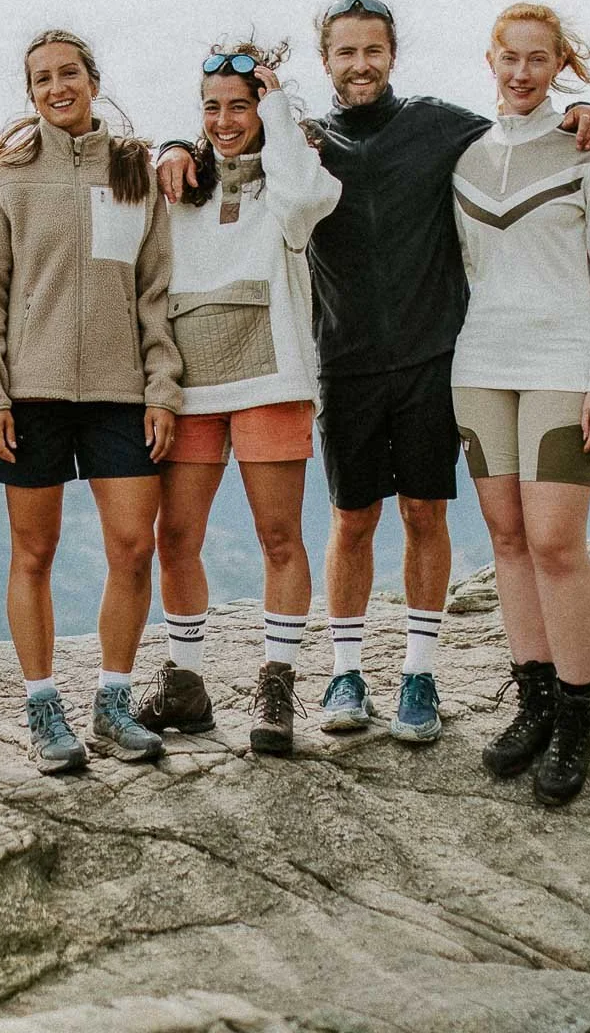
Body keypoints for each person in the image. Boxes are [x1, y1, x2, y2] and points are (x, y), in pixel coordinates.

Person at [156, 0, 590, 745]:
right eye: (346, 52)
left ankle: (419, 675)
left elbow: (517, 127)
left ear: (392, 55)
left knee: (425, 514)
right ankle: (346, 671)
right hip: (343, 362)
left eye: (373, 50)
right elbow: (226, 143)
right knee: (352, 520)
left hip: (435, 357)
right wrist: (175, 142)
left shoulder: (439, 125)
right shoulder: (304, 143)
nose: (360, 64)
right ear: (326, 60)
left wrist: (581, 112)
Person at [0, 29, 183, 773]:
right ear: (30, 93)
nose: (57, 87)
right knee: (34, 552)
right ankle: (42, 705)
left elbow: (155, 291)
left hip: (123, 393)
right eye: (42, 79)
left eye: (69, 73)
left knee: (134, 546)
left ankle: (113, 704)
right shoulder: (9, 176)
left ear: (93, 79)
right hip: (32, 394)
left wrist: (161, 387)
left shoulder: (133, 170)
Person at [135, 40, 338, 755]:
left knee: (278, 537)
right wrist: (169, 146)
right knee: (176, 537)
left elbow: (306, 199)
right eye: (211, 107)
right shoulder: (179, 186)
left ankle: (276, 684)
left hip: (271, 377)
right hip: (189, 384)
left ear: (264, 109)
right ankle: (185, 686)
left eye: (241, 107)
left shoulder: (292, 182)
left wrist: (279, 105)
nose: (224, 121)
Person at [453, 3, 590, 805]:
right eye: (510, 57)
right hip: (479, 365)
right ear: (490, 60)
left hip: (563, 362)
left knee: (556, 541)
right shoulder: (465, 156)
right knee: (507, 536)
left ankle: (578, 711)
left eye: (537, 59)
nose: (522, 72)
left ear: (559, 65)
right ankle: (534, 703)